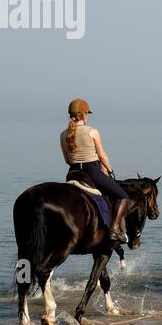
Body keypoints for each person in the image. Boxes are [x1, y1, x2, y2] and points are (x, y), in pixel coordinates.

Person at [61, 98, 130, 243]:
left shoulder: (63, 134)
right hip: (91, 171)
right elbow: (102, 156)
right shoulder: (92, 131)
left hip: (72, 173)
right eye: (88, 114)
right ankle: (115, 229)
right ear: (84, 114)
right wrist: (110, 171)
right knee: (123, 196)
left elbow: (67, 159)